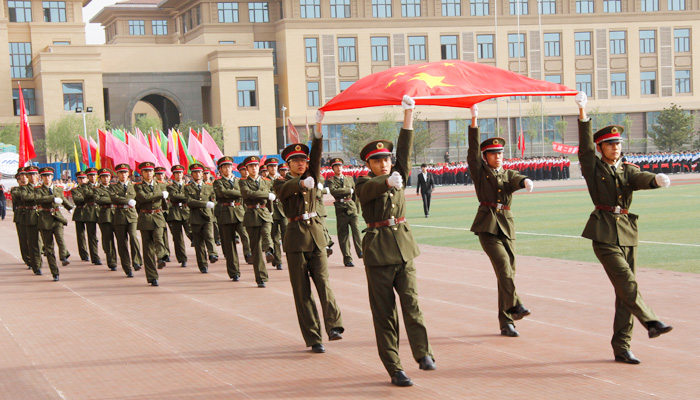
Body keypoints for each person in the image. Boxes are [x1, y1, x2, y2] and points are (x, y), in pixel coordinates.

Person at [575, 92, 673, 364]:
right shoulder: (593, 167)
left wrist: (655, 180)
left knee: (624, 293)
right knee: (627, 282)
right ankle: (651, 321)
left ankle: (622, 346)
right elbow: (584, 148)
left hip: (628, 233)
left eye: (618, 143)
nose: (615, 147)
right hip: (603, 233)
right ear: (601, 147)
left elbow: (640, 178)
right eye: (609, 144)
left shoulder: (627, 169)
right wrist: (583, 114)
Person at [355, 96, 435, 387]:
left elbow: (406, 148)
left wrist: (409, 114)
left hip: (403, 248)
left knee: (412, 303)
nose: (384, 164)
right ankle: (395, 367)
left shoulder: (398, 172)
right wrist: (386, 182)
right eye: (377, 160)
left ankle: (423, 353)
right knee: (385, 314)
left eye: (387, 159)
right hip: (378, 253)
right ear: (368, 164)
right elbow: (370, 190)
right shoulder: (364, 183)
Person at [272, 112, 344, 353]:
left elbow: (317, 154)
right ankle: (313, 338)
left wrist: (319, 128)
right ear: (288, 165)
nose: (302, 163)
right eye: (296, 161)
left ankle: (334, 326)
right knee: (302, 291)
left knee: (324, 282)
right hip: (295, 239)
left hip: (316, 236)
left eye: (304, 160)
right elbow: (284, 191)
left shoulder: (313, 174)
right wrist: (301, 184)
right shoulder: (281, 182)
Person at [467, 104, 534, 338]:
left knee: (507, 274)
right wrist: (474, 120)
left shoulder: (507, 173)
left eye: (501, 153)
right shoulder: (479, 171)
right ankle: (515, 306)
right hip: (487, 225)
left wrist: (525, 181)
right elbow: (473, 149)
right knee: (504, 267)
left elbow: (516, 177)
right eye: (494, 154)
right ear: (485, 157)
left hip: (506, 224)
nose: (498, 157)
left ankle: (506, 322)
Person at [239, 155, 275, 288]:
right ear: (247, 169)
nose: (254, 168)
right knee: (255, 248)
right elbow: (248, 194)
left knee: (266, 233)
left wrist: (270, 211)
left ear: (258, 167)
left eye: (255, 165)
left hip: (265, 213)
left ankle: (269, 251)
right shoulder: (243, 182)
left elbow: (271, 198)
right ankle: (261, 277)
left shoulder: (266, 181)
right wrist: (265, 195)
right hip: (251, 214)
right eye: (251, 166)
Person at [34, 167, 74, 281]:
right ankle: (55, 272)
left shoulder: (58, 189)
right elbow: (38, 199)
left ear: (52, 177)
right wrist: (52, 198)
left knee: (60, 238)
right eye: (45, 176)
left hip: (57, 217)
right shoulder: (38, 189)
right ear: (41, 178)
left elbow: (62, 199)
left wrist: (69, 207)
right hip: (45, 219)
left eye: (49, 176)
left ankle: (63, 257)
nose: (47, 178)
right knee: (49, 248)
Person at [133, 162, 169, 286]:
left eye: (150, 171)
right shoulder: (138, 186)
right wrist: (159, 195)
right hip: (145, 217)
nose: (149, 173)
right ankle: (152, 277)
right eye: (146, 171)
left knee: (159, 237)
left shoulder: (161, 185)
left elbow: (164, 202)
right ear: (142, 173)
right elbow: (143, 197)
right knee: (147, 249)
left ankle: (161, 256)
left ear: (153, 172)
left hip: (158, 216)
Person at [213, 157, 246, 281]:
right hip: (225, 214)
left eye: (229, 166)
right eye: (225, 167)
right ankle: (234, 272)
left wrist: (237, 192)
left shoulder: (239, 181)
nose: (228, 169)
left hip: (239, 212)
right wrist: (240, 193)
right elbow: (223, 193)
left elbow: (243, 192)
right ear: (220, 169)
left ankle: (249, 254)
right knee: (229, 244)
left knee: (245, 235)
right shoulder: (218, 182)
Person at [327, 157, 363, 267]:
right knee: (343, 235)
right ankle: (347, 258)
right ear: (333, 168)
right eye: (336, 166)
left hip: (351, 207)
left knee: (356, 230)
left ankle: (360, 251)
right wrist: (348, 190)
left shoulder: (349, 178)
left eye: (340, 166)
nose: (339, 168)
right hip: (340, 209)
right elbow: (334, 192)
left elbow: (355, 195)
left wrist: (357, 208)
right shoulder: (331, 181)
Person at [183, 163, 219, 273]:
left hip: (207, 216)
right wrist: (204, 204)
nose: (197, 174)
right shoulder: (187, 188)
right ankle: (203, 264)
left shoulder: (208, 186)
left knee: (209, 235)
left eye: (199, 172)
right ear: (191, 174)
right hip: (195, 217)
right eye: (195, 172)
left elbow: (213, 199)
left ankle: (213, 254)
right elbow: (189, 201)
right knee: (199, 243)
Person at [110, 164, 143, 274]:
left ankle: (136, 261)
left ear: (128, 174)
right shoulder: (113, 187)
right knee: (122, 243)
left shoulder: (134, 186)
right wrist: (127, 201)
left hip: (132, 215)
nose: (123, 175)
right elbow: (114, 198)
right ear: (117, 174)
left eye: (125, 172)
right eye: (121, 173)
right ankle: (127, 268)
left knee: (134, 238)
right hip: (119, 216)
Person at [72, 169, 102, 265]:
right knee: (82, 236)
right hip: (81, 212)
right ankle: (85, 254)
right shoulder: (76, 189)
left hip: (96, 210)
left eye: (83, 178)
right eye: (80, 178)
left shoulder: (99, 186)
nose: (82, 180)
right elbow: (78, 199)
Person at [18, 166, 44, 275]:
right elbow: (25, 197)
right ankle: (36, 265)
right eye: (30, 175)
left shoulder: (43, 187)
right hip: (30, 216)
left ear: (38, 175)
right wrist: (41, 196)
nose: (32, 177)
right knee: (33, 242)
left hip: (43, 215)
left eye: (34, 174)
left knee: (44, 242)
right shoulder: (23, 188)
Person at [166, 165, 192, 268]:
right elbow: (174, 196)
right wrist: (187, 197)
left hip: (186, 211)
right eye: (176, 173)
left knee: (191, 232)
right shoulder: (170, 186)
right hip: (175, 212)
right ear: (174, 175)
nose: (179, 175)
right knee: (178, 238)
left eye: (180, 173)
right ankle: (182, 258)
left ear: (183, 174)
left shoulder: (188, 186)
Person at [95, 168, 119, 273]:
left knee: (121, 240)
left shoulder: (115, 187)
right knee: (108, 241)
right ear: (100, 178)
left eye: (108, 176)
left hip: (118, 215)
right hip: (105, 216)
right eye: (103, 176)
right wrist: (115, 199)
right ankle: (112, 262)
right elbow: (99, 200)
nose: (106, 178)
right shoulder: (97, 189)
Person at [265, 157, 287, 270]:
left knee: (287, 236)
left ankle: (290, 257)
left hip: (283, 211)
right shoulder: (264, 180)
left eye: (275, 166)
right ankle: (278, 261)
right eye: (271, 166)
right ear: (267, 168)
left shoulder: (282, 179)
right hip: (271, 211)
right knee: (274, 237)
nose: (273, 168)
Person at [12, 169, 31, 268]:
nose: (24, 177)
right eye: (21, 176)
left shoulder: (34, 188)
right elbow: (21, 197)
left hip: (33, 215)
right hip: (21, 215)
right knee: (24, 239)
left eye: (25, 175)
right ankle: (28, 260)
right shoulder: (15, 190)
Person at [155, 166, 172, 262]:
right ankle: (165, 253)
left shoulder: (169, 185)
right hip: (160, 211)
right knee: (161, 233)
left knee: (173, 233)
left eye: (162, 174)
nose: (160, 176)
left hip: (169, 211)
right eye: (158, 174)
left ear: (165, 175)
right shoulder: (156, 185)